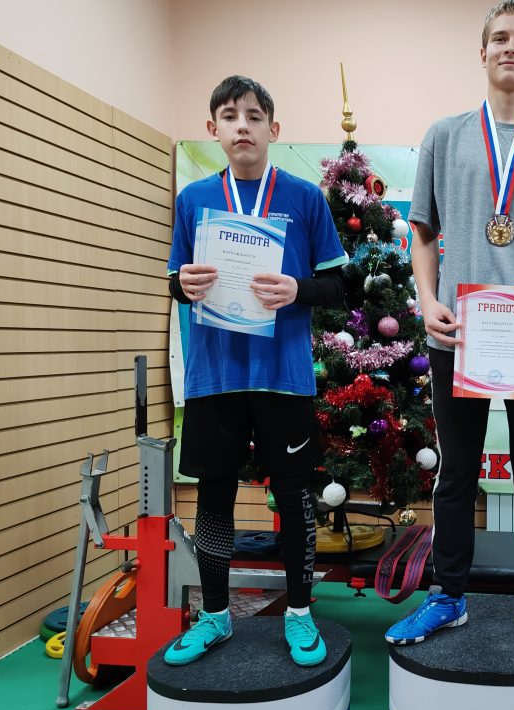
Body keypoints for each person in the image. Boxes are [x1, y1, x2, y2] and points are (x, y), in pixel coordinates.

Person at [385, 0, 514, 653]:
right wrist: (426, 300)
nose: (511, 47)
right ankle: (447, 597)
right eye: (500, 38)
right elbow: (423, 233)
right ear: (482, 53)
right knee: (456, 470)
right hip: (458, 333)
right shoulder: (445, 136)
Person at [164, 76, 347, 667]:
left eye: (252, 115)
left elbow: (336, 286)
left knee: (293, 496)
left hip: (282, 375)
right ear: (212, 128)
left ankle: (299, 613)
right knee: (213, 497)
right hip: (215, 374)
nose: (241, 125)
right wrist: (183, 284)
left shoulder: (304, 197)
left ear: (274, 128)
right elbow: (176, 281)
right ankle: (215, 615)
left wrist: (297, 288)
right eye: (228, 115)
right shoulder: (193, 199)